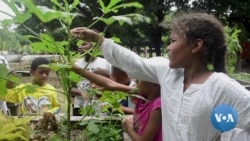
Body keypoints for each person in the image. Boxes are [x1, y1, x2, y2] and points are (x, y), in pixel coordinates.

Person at [71, 12, 250, 141]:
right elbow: (134, 63)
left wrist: (226, 136)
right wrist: (99, 40)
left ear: (196, 46)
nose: (168, 48)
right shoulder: (168, 73)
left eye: (173, 41)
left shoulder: (221, 87)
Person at [72, 41, 111, 116]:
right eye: (79, 44)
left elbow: (112, 84)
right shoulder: (76, 65)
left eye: (84, 44)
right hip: (80, 105)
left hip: (101, 104)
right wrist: (81, 92)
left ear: (93, 45)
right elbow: (70, 88)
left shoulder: (105, 63)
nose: (80, 46)